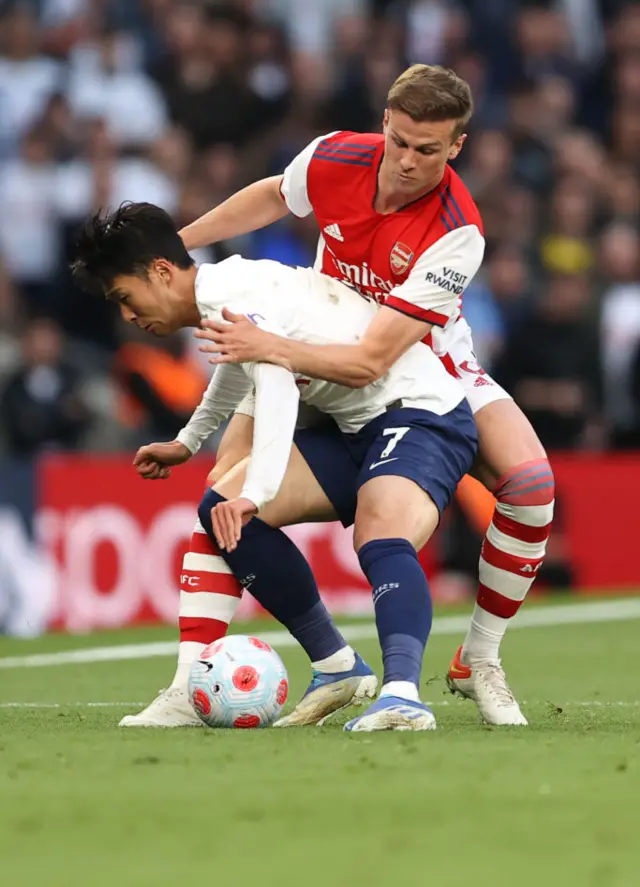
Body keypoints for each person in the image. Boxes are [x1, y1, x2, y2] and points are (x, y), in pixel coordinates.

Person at [181, 63, 555, 728]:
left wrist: (273, 352)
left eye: (428, 150)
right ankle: (198, 680)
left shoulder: (456, 228)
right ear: (385, 122)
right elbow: (273, 194)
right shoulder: (335, 156)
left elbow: (379, 354)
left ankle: (480, 659)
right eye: (401, 141)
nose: (409, 161)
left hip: (424, 366)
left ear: (457, 147)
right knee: (224, 490)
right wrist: (178, 244)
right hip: (324, 352)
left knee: (530, 487)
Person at [71, 201, 478, 733]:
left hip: (424, 414)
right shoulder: (225, 290)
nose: (127, 314)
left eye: (125, 297)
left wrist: (257, 491)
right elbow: (241, 371)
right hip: (358, 427)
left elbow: (277, 382)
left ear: (161, 271)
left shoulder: (232, 293)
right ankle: (330, 666)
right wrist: (188, 441)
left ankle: (403, 695)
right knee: (219, 509)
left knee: (378, 531)